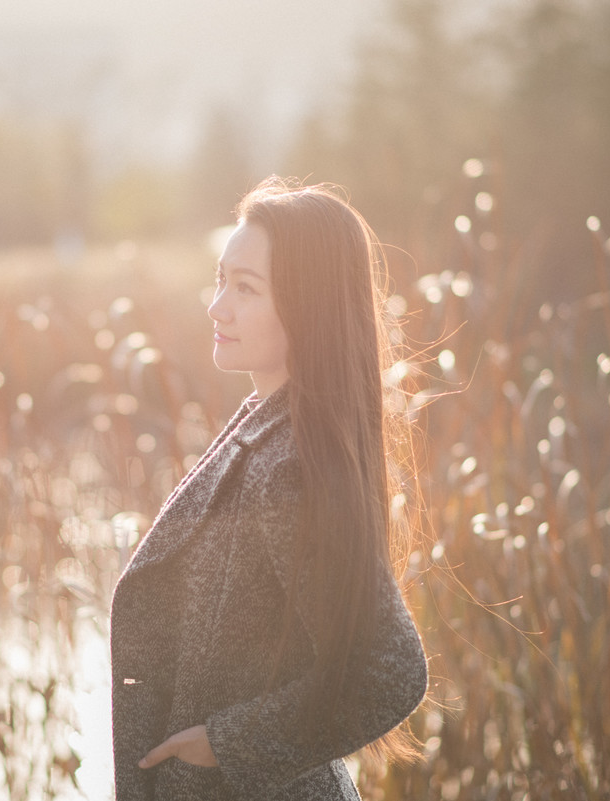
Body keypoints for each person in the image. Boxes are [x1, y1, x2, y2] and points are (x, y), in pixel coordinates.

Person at [110, 178, 428, 800]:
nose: (217, 306)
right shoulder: (267, 424)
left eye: (245, 288)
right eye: (220, 278)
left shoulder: (290, 466)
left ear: (307, 306)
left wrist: (226, 743)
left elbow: (391, 673)